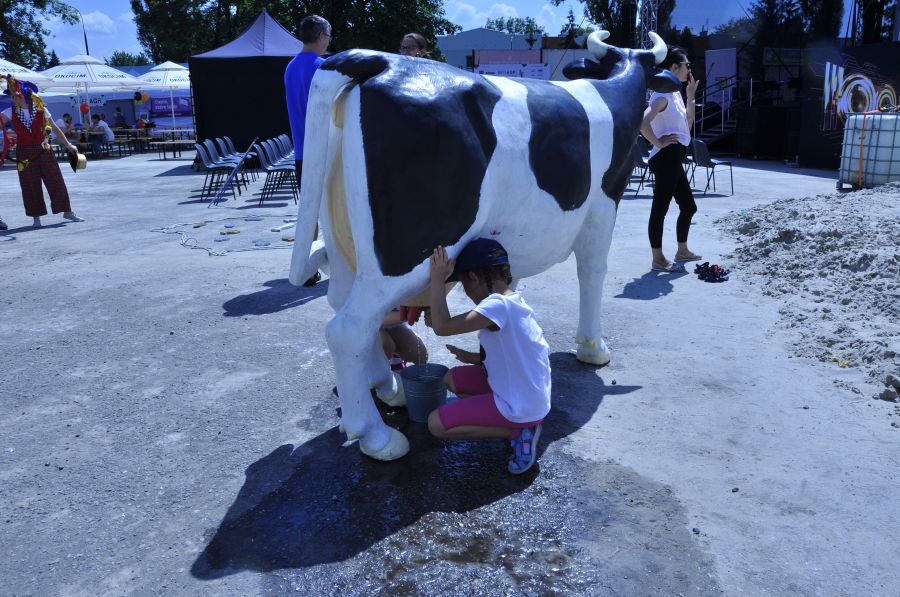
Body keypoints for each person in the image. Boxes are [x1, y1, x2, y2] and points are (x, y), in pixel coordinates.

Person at [425, 239, 551, 475]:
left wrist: (437, 279)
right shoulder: (513, 299)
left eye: (465, 285)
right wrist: (473, 358)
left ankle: (518, 431)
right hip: (531, 395)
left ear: (474, 277)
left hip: (522, 405)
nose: (468, 294)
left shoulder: (496, 305)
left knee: (436, 424)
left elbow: (442, 327)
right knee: (452, 378)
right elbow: (516, 353)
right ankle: (514, 421)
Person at [639, 45, 702, 272]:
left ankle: (682, 250)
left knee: (688, 206)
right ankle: (657, 258)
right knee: (660, 209)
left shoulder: (675, 93)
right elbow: (642, 123)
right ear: (674, 67)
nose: (689, 69)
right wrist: (658, 142)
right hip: (666, 156)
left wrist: (690, 97)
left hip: (675, 155)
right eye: (686, 65)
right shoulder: (662, 95)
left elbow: (687, 128)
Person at [0, 75, 83, 228]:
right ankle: (36, 217)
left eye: (14, 94)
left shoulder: (40, 108)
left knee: (56, 180)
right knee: (30, 185)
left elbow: (55, 128)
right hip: (24, 151)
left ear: (22, 94)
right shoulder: (10, 111)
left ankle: (67, 211)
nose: (12, 98)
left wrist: (68, 145)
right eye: (11, 95)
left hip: (44, 149)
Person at [284, 14, 331, 286]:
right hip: (325, 150)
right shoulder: (324, 68)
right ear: (322, 36)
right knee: (336, 211)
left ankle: (306, 267)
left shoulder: (290, 67)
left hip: (301, 152)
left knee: (308, 213)